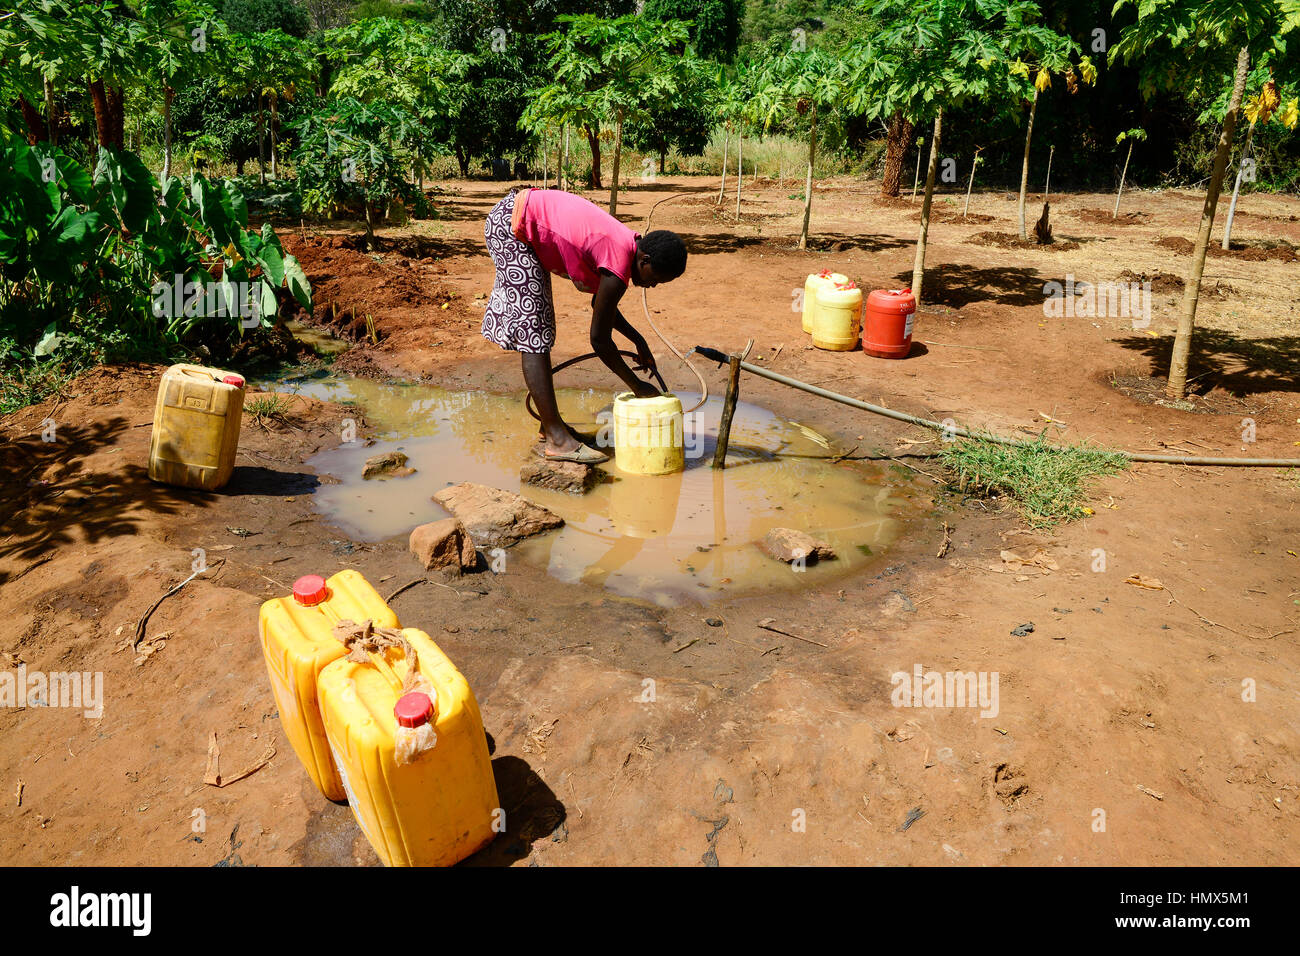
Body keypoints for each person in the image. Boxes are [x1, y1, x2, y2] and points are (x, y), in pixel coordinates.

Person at [481, 186, 688, 464]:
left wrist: (638, 340)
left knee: (539, 328)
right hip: (512, 225)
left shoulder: (626, 247)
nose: (652, 285)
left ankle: (550, 426)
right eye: (656, 279)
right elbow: (599, 340)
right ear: (645, 260)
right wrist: (636, 385)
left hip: (521, 215)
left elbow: (602, 307)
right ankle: (557, 439)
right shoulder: (617, 262)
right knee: (535, 332)